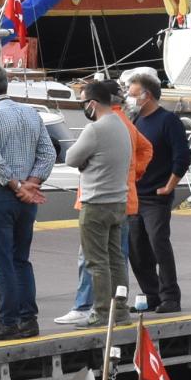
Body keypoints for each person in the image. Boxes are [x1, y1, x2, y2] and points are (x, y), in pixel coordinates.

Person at [0, 64, 51, 342]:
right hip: (25, 198)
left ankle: (7, 321)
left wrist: (17, 185)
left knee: (2, 260)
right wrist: (32, 183)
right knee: (21, 259)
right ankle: (28, 319)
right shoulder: (31, 113)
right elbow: (48, 153)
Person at [65, 79, 135, 325]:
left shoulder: (95, 129)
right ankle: (121, 311)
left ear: (93, 103)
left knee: (97, 261)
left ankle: (102, 312)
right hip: (118, 202)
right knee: (116, 259)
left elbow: (71, 158)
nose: (83, 107)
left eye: (83, 103)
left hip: (95, 204)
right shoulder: (121, 125)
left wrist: (86, 162)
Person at [124, 70, 187, 314]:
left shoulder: (168, 120)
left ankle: (171, 296)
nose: (129, 99)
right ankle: (152, 294)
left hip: (156, 197)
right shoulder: (137, 120)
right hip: (136, 194)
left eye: (132, 94)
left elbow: (181, 157)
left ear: (146, 95)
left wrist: (170, 186)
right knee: (136, 248)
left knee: (158, 242)